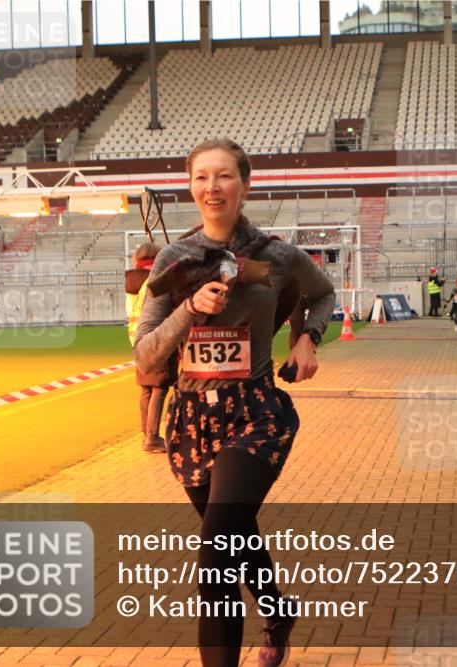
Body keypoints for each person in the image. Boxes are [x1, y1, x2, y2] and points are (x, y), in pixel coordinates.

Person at [134, 139, 334, 667]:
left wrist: (308, 336)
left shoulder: (278, 255)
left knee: (216, 552)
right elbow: (145, 356)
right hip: (191, 421)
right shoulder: (173, 262)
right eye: (201, 177)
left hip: (256, 415)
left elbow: (323, 292)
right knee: (235, 536)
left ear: (245, 185)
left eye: (224, 176)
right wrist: (189, 311)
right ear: (191, 186)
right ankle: (277, 609)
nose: (212, 187)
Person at [125, 242, 177, 453]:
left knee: (146, 389)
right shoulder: (155, 281)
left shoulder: (131, 283)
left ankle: (146, 434)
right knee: (159, 388)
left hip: (136, 341)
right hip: (156, 339)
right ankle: (152, 437)